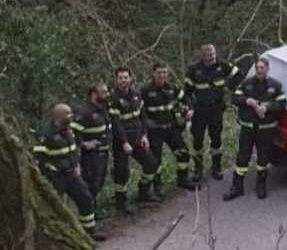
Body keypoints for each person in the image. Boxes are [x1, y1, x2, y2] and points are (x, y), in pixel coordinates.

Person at [36, 104, 105, 242]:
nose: (71, 116)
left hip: (72, 174)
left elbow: (73, 150)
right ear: (59, 116)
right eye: (68, 113)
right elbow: (39, 159)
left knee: (86, 199)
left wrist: (77, 165)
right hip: (56, 177)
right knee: (55, 207)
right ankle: (58, 238)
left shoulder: (69, 130)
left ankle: (89, 234)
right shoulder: (46, 134)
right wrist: (49, 173)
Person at [225, 57, 286, 201]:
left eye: (262, 68)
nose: (259, 70)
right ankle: (237, 187)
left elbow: (282, 104)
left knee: (263, 158)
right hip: (248, 129)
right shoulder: (247, 84)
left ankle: (261, 186)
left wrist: (267, 107)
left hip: (266, 130)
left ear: (267, 69)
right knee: (242, 158)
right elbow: (234, 98)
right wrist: (247, 101)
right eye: (257, 68)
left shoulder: (275, 86)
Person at [183, 44, 241, 183]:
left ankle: (216, 167)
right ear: (202, 56)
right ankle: (198, 169)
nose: (211, 57)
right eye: (208, 55)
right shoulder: (193, 70)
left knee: (216, 140)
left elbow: (239, 74)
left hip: (216, 109)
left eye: (213, 54)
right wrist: (189, 108)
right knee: (197, 141)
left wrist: (228, 87)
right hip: (199, 110)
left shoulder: (223, 66)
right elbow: (187, 93)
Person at [109, 67, 160, 214]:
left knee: (151, 164)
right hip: (121, 141)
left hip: (138, 138)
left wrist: (144, 135)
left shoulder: (136, 95)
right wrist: (124, 142)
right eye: (120, 78)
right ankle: (121, 204)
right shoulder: (113, 99)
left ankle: (143, 194)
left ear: (130, 78)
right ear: (116, 80)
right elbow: (117, 124)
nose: (123, 80)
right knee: (122, 172)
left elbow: (143, 117)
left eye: (126, 77)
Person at [141, 61, 196, 194]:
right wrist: (144, 129)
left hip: (171, 128)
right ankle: (157, 187)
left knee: (183, 153)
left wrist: (189, 111)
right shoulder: (145, 91)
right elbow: (140, 112)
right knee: (156, 160)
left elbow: (186, 100)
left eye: (164, 72)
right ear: (153, 73)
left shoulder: (172, 88)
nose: (162, 75)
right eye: (159, 72)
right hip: (154, 131)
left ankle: (183, 179)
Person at [71, 83, 113, 203]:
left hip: (104, 152)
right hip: (92, 156)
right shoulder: (85, 111)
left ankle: (93, 209)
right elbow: (72, 131)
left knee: (99, 183)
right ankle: (88, 211)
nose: (107, 94)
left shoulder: (104, 108)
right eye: (104, 92)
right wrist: (84, 143)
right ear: (94, 94)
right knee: (92, 184)